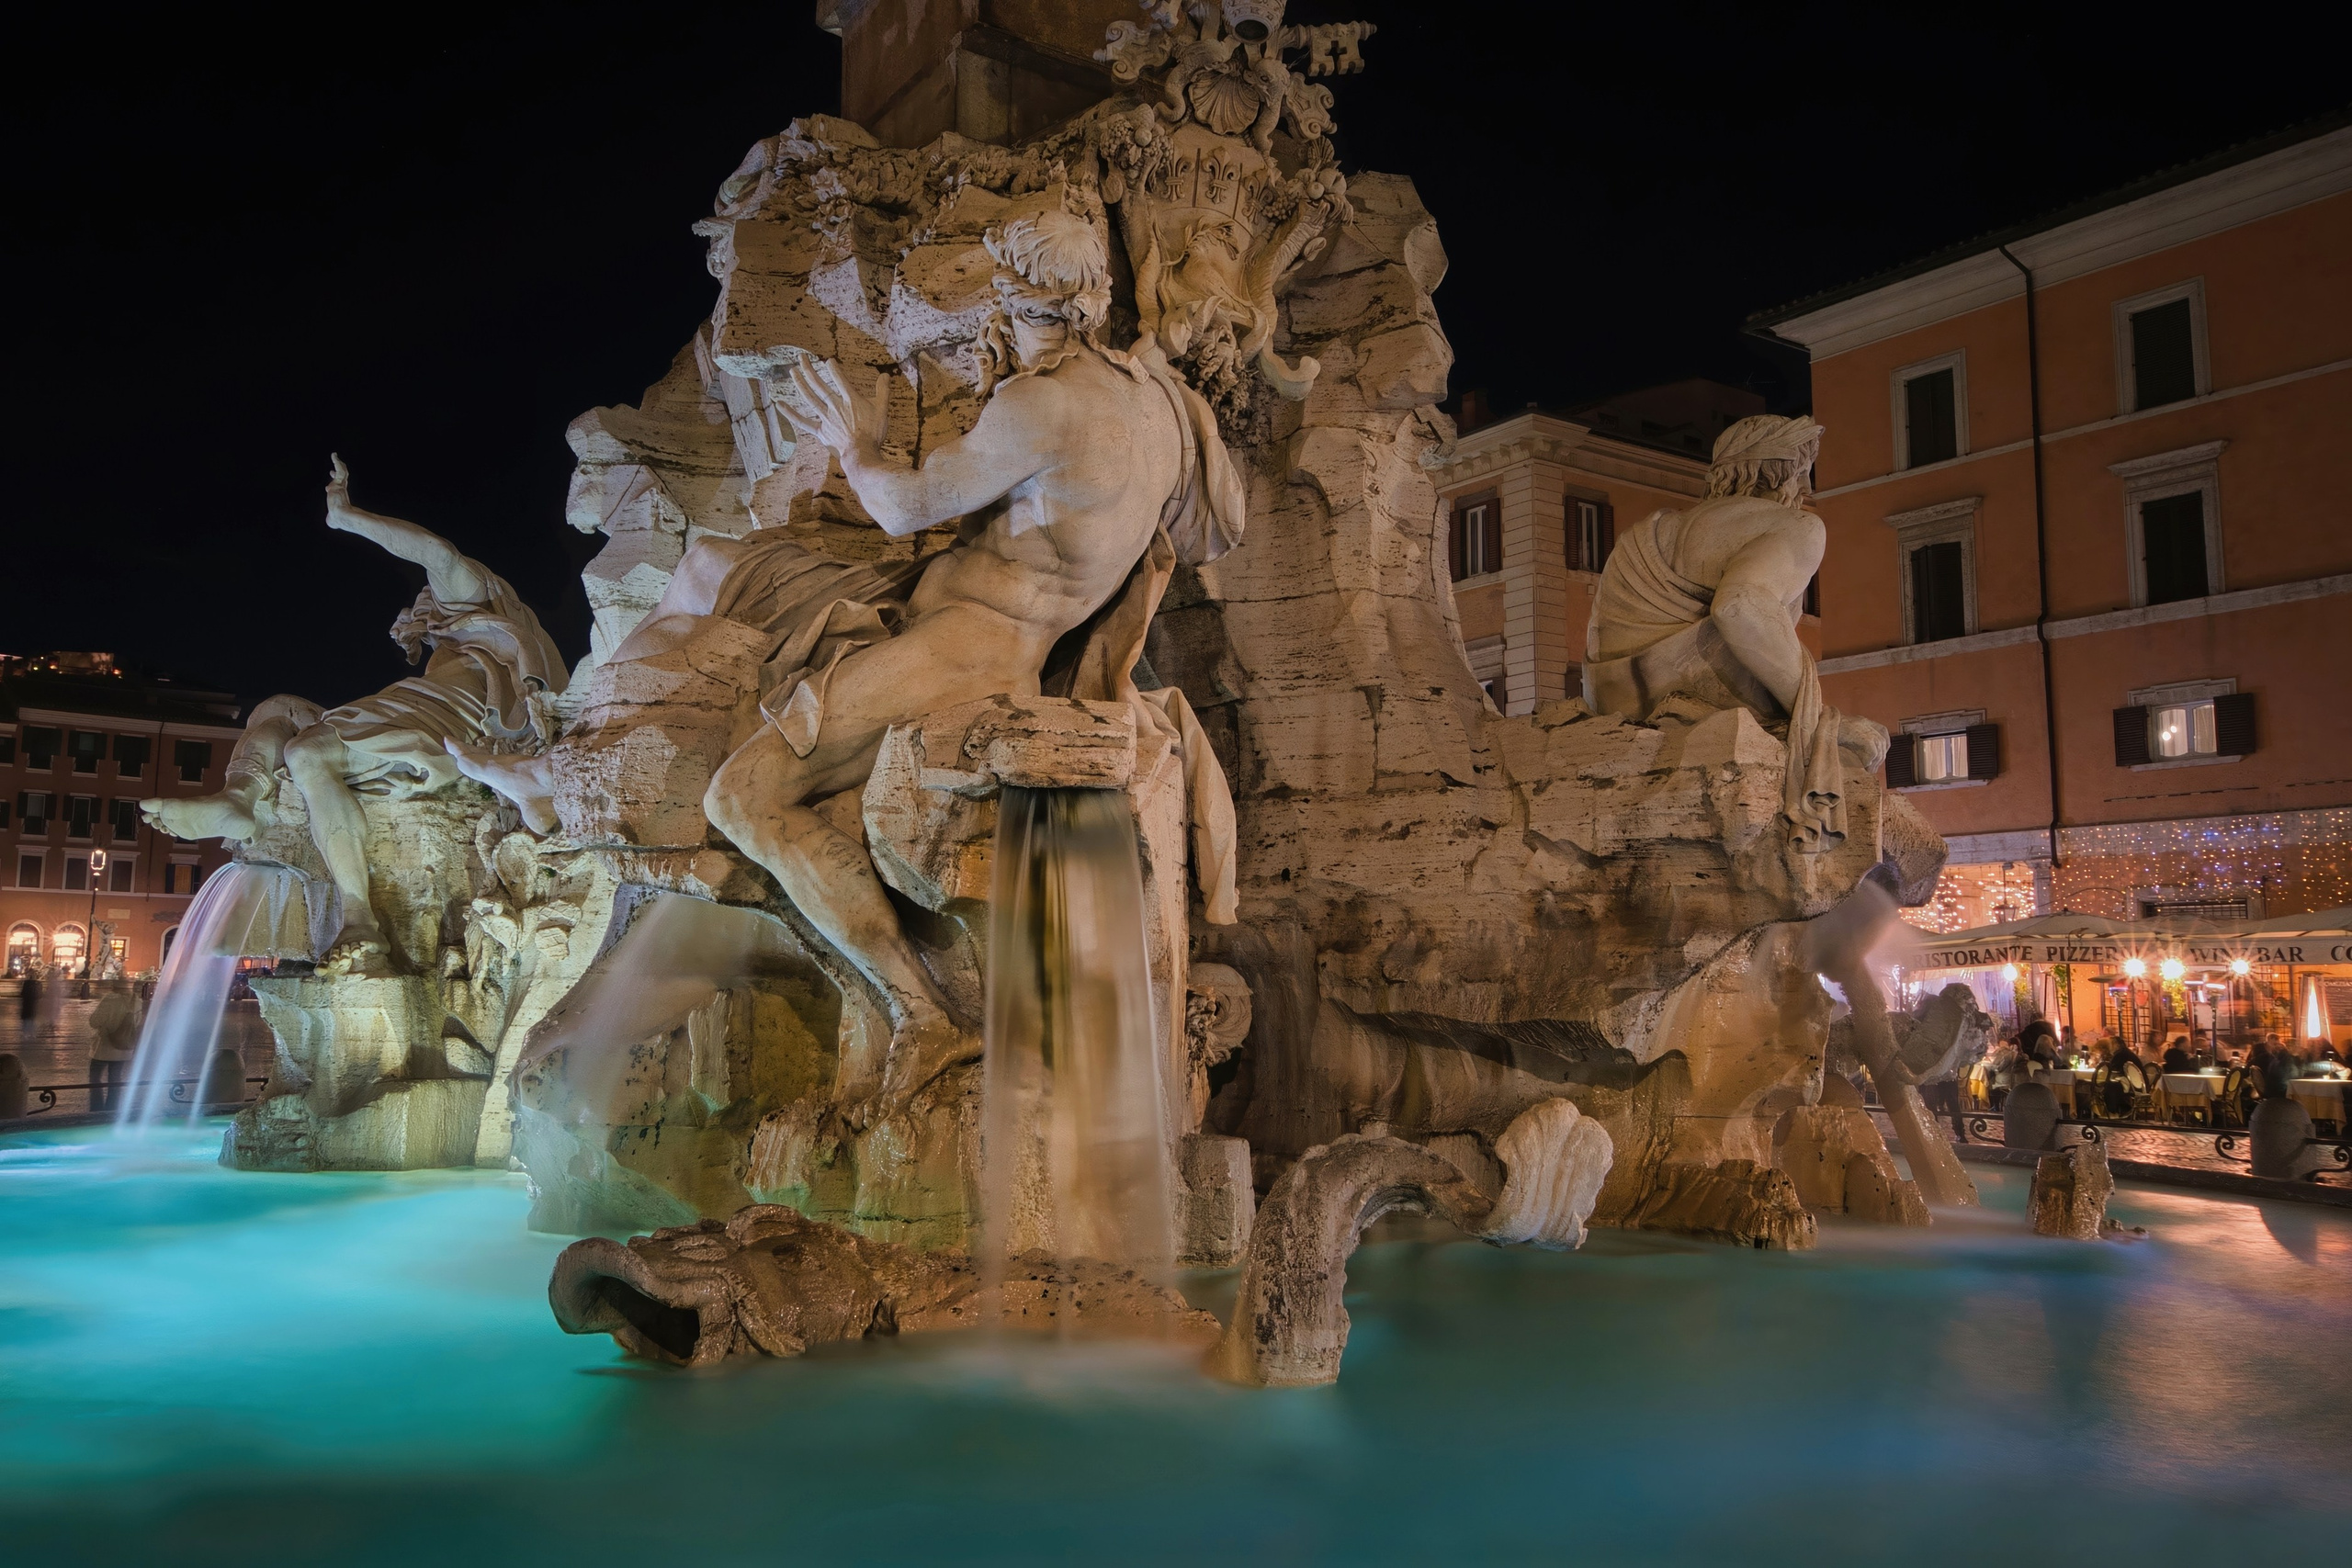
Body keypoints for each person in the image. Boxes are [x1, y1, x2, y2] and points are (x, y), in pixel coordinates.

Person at [143, 458, 567, 974]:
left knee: (306, 749)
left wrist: (347, 517)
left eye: (423, 605)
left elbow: (437, 553)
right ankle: (240, 796)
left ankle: (359, 917)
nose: (418, 614)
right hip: (410, 711)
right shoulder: (450, 644)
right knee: (277, 710)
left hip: (447, 724)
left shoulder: (477, 607)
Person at [85, 987, 140, 1113]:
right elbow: (136, 1024)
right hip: (123, 1048)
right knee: (115, 1078)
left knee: (95, 1077)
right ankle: (112, 1109)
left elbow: (94, 1021)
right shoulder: (136, 1001)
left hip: (104, 1048)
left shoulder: (110, 999)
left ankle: (97, 1109)